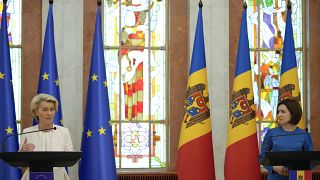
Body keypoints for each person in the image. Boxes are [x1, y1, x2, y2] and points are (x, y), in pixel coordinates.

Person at [19, 93, 73, 180]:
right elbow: (20, 164)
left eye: (52, 109)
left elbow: (70, 158)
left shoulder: (63, 132)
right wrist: (22, 153)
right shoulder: (27, 132)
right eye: (45, 110)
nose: (49, 113)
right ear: (36, 112)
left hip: (58, 177)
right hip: (33, 176)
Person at [259, 98, 313, 180]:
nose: (278, 115)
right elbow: (262, 158)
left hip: (297, 177)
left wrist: (297, 168)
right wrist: (273, 167)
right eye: (278, 112)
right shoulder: (271, 133)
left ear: (293, 113)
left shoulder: (304, 135)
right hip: (275, 177)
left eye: (283, 112)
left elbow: (311, 161)